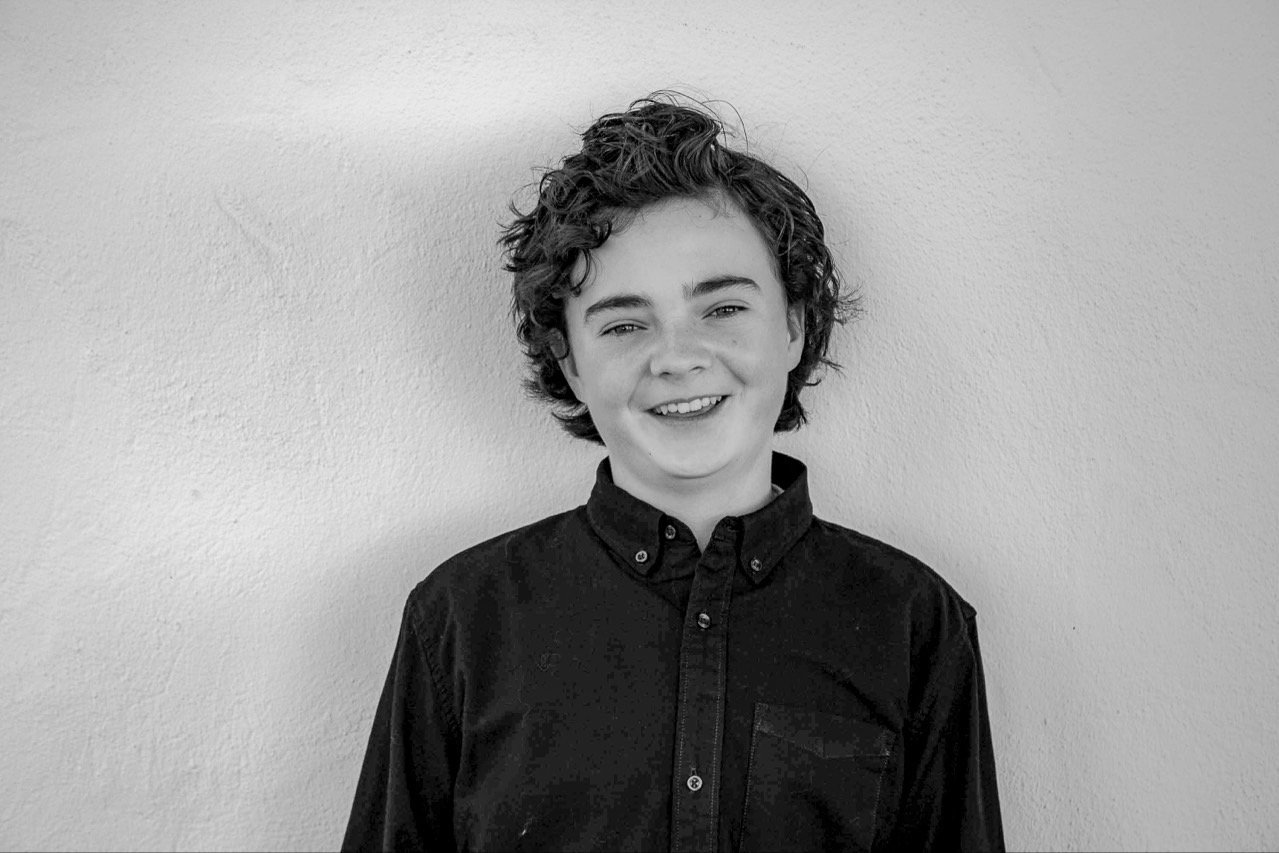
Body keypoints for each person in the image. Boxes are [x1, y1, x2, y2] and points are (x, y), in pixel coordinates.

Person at [342, 94, 1004, 852]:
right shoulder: (459, 619)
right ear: (569, 360)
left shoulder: (913, 620)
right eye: (624, 324)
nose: (677, 356)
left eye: (721, 308)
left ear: (792, 325)